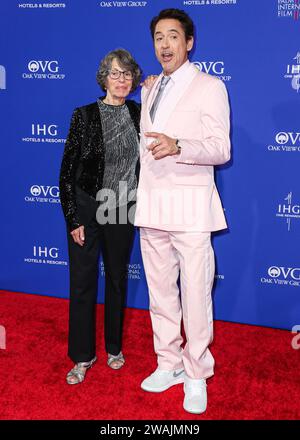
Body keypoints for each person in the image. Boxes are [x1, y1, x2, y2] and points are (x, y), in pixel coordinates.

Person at [134, 9, 231, 414]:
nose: (165, 45)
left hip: (191, 209)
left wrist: (181, 146)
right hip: (153, 205)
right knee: (160, 297)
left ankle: (196, 373)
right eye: (159, 37)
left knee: (194, 296)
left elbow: (221, 149)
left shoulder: (210, 86)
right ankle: (169, 363)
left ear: (188, 42)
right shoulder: (150, 89)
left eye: (173, 36)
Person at [59, 48, 141, 384]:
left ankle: (114, 348)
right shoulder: (84, 115)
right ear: (103, 78)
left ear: (133, 79)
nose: (121, 80)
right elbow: (66, 172)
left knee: (118, 280)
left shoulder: (140, 112)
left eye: (127, 74)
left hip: (122, 206)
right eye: (114, 73)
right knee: (82, 283)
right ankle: (82, 356)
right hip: (88, 205)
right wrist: (73, 217)